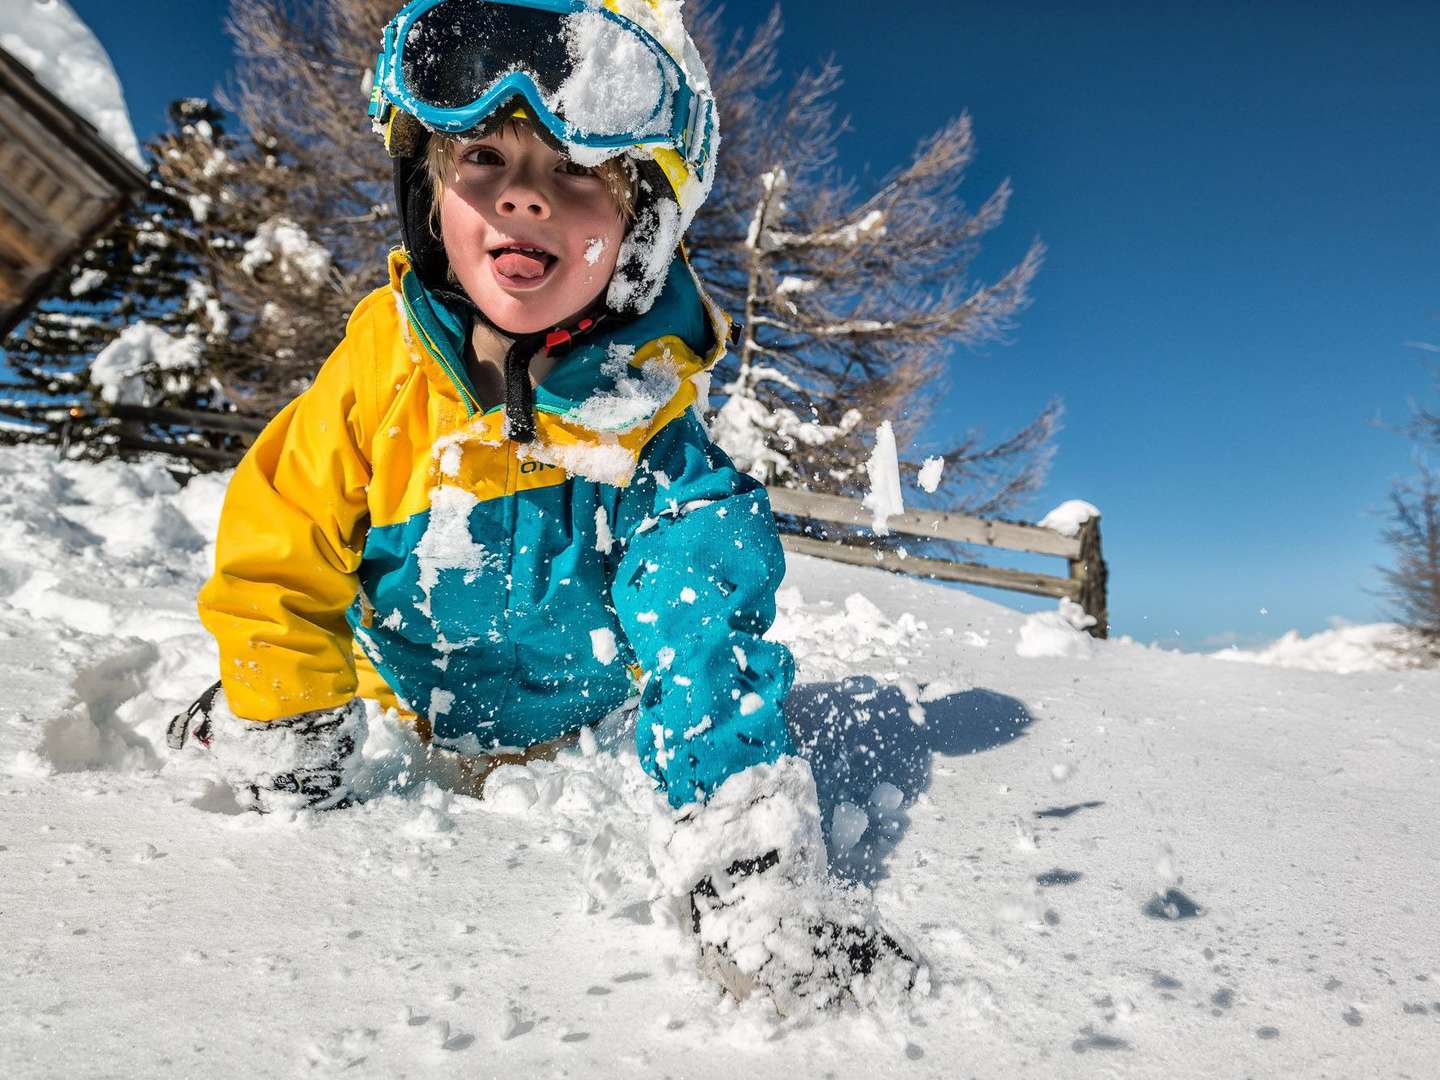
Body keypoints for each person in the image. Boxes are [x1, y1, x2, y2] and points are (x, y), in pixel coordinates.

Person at [169, 0, 918, 1011]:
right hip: (401, 722)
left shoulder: (649, 425)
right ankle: (244, 716)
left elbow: (701, 619)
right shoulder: (376, 381)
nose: (524, 199)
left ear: (639, 226)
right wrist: (292, 724)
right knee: (271, 689)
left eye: (576, 172)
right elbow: (276, 542)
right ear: (427, 192)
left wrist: (733, 826)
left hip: (578, 739)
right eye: (482, 159)